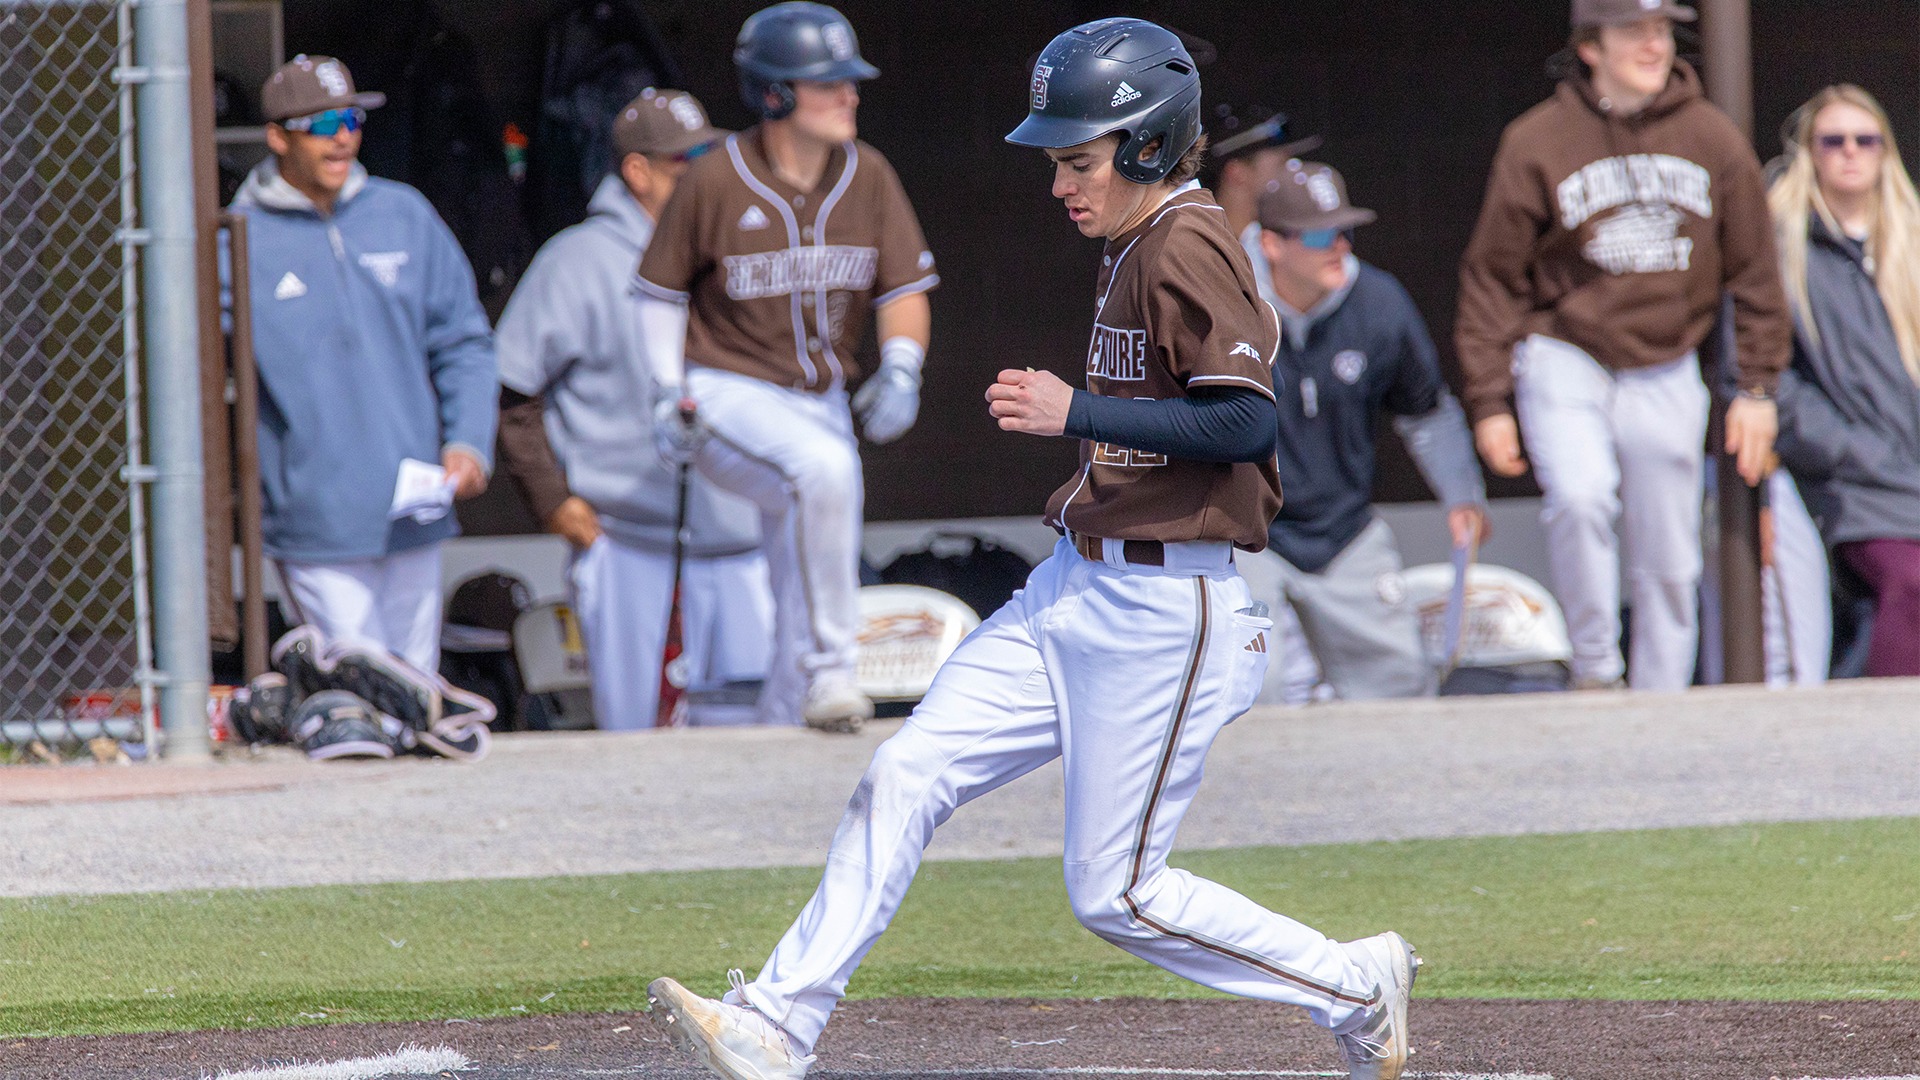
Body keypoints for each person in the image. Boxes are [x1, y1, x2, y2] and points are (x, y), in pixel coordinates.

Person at [643, 19, 1419, 1080]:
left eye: (1078, 158)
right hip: (1077, 586)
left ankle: (1354, 983)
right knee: (905, 769)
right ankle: (778, 1024)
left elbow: (1246, 425)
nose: (1059, 181)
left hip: (1168, 607)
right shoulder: (1132, 239)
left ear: (1147, 144)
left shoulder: (1188, 239)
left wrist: (1076, 409)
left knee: (1118, 893)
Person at [1455, 0, 1789, 691]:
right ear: (1590, 46)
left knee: (1669, 552)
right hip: (1565, 350)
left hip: (1667, 361)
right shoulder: (1537, 138)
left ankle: (1662, 695)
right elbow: (1492, 278)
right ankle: (1597, 672)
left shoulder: (1712, 136)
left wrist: (1757, 388)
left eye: (1664, 30)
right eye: (1634, 30)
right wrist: (1489, 401)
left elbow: (1757, 274)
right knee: (1580, 498)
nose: (1654, 43)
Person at [633, 2, 938, 733]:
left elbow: (904, 289)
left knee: (812, 523)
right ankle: (832, 670)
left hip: (820, 397)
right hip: (725, 387)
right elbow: (657, 296)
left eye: (849, 82)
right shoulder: (714, 179)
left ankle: (782, 712)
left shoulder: (869, 174)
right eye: (827, 83)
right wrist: (664, 391)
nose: (849, 95)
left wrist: (901, 367)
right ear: (774, 93)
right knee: (826, 473)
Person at [494, 89, 775, 730]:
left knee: (756, 744)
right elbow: (512, 391)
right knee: (637, 740)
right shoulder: (577, 258)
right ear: (637, 170)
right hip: (626, 545)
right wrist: (553, 501)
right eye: (686, 160)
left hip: (742, 544)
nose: (705, 170)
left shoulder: (745, 243)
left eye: (709, 153)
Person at [231, 55, 496, 675]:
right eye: (323, 123)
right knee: (362, 692)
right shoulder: (236, 239)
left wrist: (468, 442)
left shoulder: (404, 213)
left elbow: (463, 341)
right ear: (278, 137)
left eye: (352, 118)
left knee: (417, 694)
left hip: (415, 510)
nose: (344, 135)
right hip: (316, 521)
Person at [1238, 163, 1487, 701]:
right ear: (1270, 245)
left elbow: (1426, 412)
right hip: (1245, 537)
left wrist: (1461, 493)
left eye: (1346, 231)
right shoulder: (1223, 304)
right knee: (1253, 687)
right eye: (1322, 234)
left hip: (1345, 532)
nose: (1341, 247)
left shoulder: (1379, 302)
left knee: (1401, 688)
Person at [1769, 84, 1920, 678]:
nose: (1850, 153)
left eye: (1866, 140)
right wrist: (1862, 451)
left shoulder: (1910, 244)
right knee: (1909, 585)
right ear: (1810, 153)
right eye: (1833, 141)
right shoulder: (1785, 251)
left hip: (1909, 476)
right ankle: (1881, 743)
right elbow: (1769, 386)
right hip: (1846, 488)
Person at [1204, 104, 1321, 240]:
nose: (1294, 171)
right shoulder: (1199, 251)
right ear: (1237, 173)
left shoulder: (1297, 247)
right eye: (1281, 164)